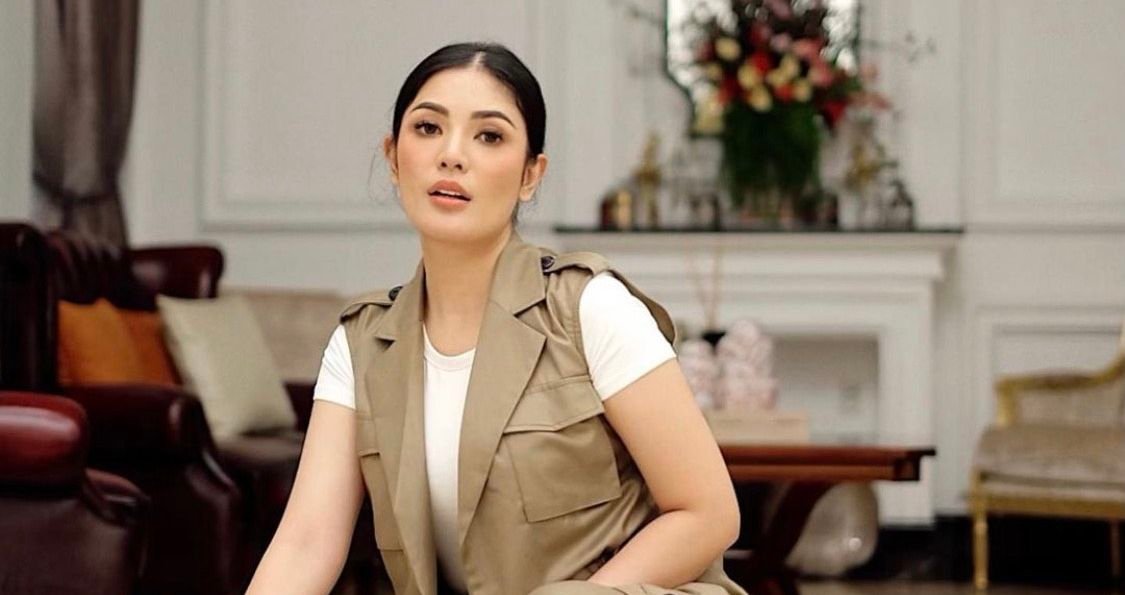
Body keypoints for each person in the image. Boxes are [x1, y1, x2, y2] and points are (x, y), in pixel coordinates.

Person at [247, 42, 747, 595]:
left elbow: (708, 513)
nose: (451, 155)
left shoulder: (590, 308)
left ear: (531, 175)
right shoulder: (361, 343)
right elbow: (306, 543)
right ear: (393, 157)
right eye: (428, 128)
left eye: (489, 136)